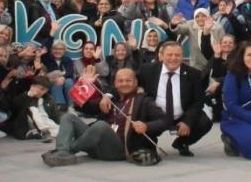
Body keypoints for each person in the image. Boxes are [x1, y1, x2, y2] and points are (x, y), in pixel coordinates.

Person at [41, 67, 169, 166]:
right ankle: (62, 150)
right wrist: (85, 85)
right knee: (68, 117)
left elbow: (165, 121)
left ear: (135, 82)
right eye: (121, 81)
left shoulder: (144, 101)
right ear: (116, 84)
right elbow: (83, 107)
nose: (124, 84)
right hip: (95, 144)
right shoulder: (111, 99)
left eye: (128, 80)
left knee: (101, 126)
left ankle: (65, 152)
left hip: (117, 150)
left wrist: (146, 126)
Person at [141, 41, 213, 157]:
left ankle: (182, 143)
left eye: (177, 55)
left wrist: (187, 121)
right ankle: (150, 143)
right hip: (155, 116)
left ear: (182, 56)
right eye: (169, 55)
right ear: (162, 56)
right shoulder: (147, 70)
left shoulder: (193, 74)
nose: (173, 58)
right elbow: (126, 82)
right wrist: (109, 95)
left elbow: (198, 102)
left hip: (180, 116)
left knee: (204, 122)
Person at [10, 76, 62, 141]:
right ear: (32, 86)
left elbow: (56, 115)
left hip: (45, 121)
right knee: (34, 109)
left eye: (43, 89)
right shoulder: (26, 96)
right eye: (39, 88)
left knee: (62, 131)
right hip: (29, 123)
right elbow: (14, 105)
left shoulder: (49, 99)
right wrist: (28, 95)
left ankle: (41, 134)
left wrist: (64, 123)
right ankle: (43, 131)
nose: (40, 91)